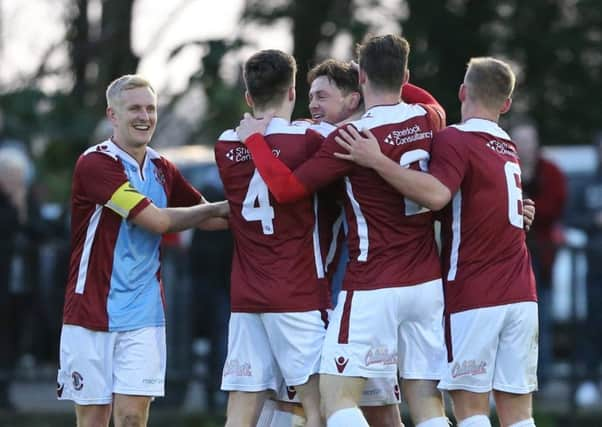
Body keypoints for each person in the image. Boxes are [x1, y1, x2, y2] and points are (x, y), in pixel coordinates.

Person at [237, 34, 449, 427]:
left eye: (323, 97)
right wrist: (379, 75)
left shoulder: (349, 139)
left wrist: (254, 141)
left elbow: (285, 189)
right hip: (426, 283)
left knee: (334, 400)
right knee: (424, 401)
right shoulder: (426, 117)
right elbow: (430, 101)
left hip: (373, 285)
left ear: (360, 83)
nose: (313, 106)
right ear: (404, 74)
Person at [334, 57, 538, 427]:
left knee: (471, 410)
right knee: (519, 416)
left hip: (477, 293)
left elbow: (437, 195)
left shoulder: (455, 138)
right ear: (505, 104)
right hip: (522, 295)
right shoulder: (506, 144)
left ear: (463, 92)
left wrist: (377, 160)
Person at [56, 74, 229, 427]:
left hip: (144, 315)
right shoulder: (96, 164)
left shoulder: (162, 168)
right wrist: (218, 208)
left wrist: (255, 209)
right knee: (93, 420)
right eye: (134, 108)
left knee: (133, 418)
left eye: (150, 109)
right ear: (112, 115)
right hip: (91, 313)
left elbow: (208, 219)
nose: (144, 117)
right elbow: (158, 221)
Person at [215, 49, 335, 427]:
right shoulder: (312, 138)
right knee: (318, 404)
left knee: (242, 406)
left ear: (248, 98)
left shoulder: (224, 144)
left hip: (247, 295)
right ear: (292, 91)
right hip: (296, 291)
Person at [509, 120, 567, 388]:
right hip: (510, 262)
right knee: (513, 326)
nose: (526, 147)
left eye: (529, 141)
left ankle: (542, 381)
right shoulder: (505, 168)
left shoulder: (551, 171)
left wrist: (522, 208)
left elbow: (553, 207)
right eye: (520, 141)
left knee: (543, 321)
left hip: (541, 262)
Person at [568, 131, 602, 404]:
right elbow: (570, 217)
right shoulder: (586, 184)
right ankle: (590, 380)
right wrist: (594, 220)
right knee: (592, 325)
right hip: (594, 270)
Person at [0, 146, 29, 411]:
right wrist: (16, 206)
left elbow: (39, 230)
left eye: (19, 177)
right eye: (11, 176)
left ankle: (6, 392)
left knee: (13, 338)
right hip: (4, 281)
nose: (16, 182)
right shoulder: (8, 204)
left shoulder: (25, 200)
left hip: (20, 284)